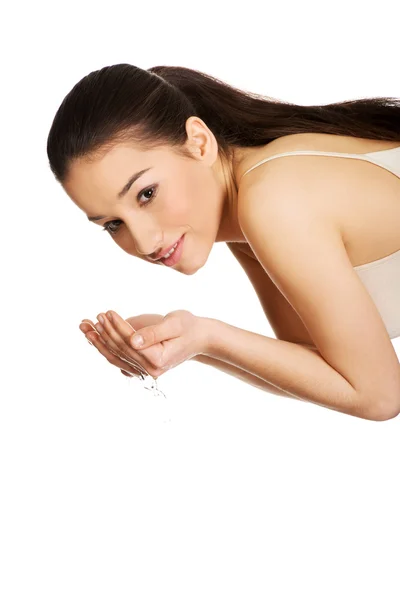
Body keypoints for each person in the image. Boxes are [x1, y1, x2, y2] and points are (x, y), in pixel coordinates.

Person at [47, 63, 400, 421]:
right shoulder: (245, 217)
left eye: (147, 194)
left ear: (199, 143)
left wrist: (206, 336)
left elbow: (379, 396)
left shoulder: (272, 201)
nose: (144, 242)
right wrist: (184, 342)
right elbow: (321, 370)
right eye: (113, 224)